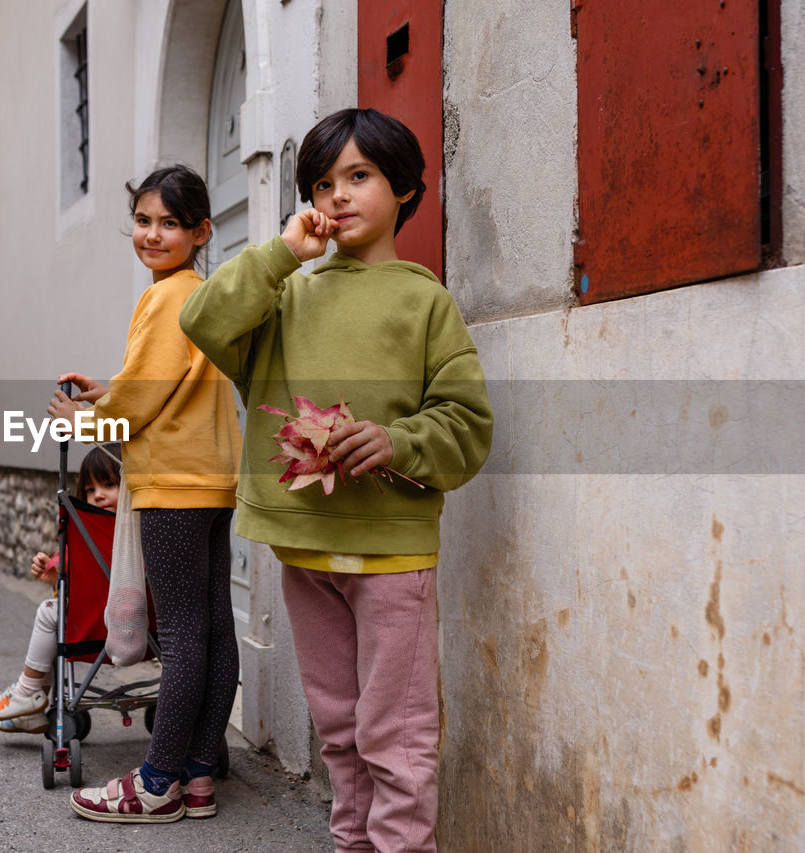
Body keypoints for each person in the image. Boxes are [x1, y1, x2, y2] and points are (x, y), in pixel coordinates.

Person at [179, 108, 493, 851]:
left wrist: (396, 439)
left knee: (398, 735)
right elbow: (203, 319)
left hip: (390, 555)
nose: (339, 195)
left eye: (360, 176)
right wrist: (281, 253)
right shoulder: (286, 294)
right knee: (342, 730)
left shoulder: (425, 301)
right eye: (324, 182)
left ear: (406, 187)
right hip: (303, 548)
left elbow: (466, 424)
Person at [46, 164, 242, 823]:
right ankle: (198, 775)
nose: (152, 234)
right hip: (213, 477)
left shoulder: (162, 298)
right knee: (213, 626)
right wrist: (113, 387)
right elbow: (168, 383)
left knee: (183, 632)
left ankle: (156, 782)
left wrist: (90, 420)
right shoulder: (204, 293)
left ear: (201, 231)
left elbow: (143, 401)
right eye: (143, 221)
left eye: (170, 223)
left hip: (172, 484)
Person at [0, 443, 123, 735]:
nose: (97, 495)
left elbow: (79, 575)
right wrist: (52, 576)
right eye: (90, 489)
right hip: (145, 630)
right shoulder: (151, 527)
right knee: (57, 614)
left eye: (109, 485)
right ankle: (32, 710)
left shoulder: (90, 532)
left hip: (99, 625)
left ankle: (27, 691)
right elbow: (74, 575)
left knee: (49, 613)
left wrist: (54, 576)